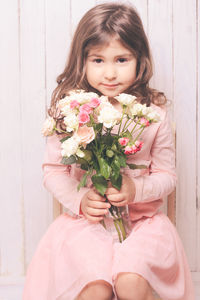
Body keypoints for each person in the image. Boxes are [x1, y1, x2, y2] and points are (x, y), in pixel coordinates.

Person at [23, 3, 194, 300]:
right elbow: (53, 171)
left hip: (144, 226)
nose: (111, 73)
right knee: (95, 288)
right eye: (98, 60)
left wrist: (135, 189)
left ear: (140, 60)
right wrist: (79, 200)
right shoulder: (71, 111)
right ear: (83, 60)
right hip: (85, 225)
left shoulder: (151, 114)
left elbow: (167, 176)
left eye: (122, 59)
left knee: (130, 282)